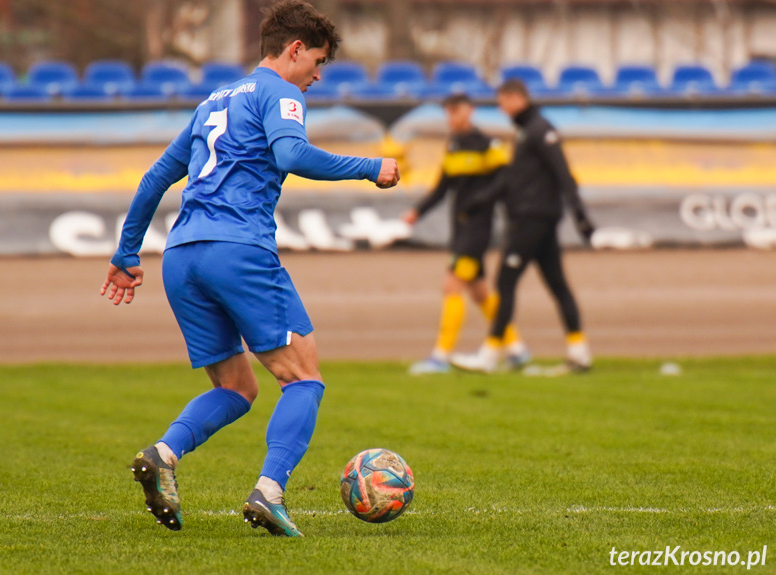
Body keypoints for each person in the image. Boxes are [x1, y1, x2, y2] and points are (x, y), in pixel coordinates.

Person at [100, 0, 399, 537]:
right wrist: (369, 167)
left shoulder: (212, 101)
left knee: (238, 387)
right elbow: (292, 156)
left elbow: (154, 179)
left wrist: (126, 255)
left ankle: (164, 454)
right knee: (303, 377)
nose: (317, 76)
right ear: (294, 49)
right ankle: (269, 491)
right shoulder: (278, 92)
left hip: (181, 256)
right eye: (319, 62)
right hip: (237, 251)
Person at [451, 79, 595, 373]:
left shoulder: (540, 130)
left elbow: (563, 174)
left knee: (505, 283)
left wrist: (581, 216)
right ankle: (579, 351)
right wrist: (481, 200)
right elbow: (512, 178)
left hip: (532, 219)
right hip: (537, 219)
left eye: (502, 101)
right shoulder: (524, 130)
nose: (501, 107)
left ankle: (490, 355)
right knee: (557, 284)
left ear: (516, 98)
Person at [403, 92, 528, 375]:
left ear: (469, 111)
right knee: (481, 293)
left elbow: (506, 181)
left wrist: (481, 202)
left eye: (456, 111)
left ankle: (440, 356)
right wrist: (417, 212)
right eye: (448, 112)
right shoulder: (454, 145)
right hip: (461, 228)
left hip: (477, 229)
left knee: (451, 285)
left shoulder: (487, 144)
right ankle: (517, 349)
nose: (452, 117)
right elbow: (442, 187)